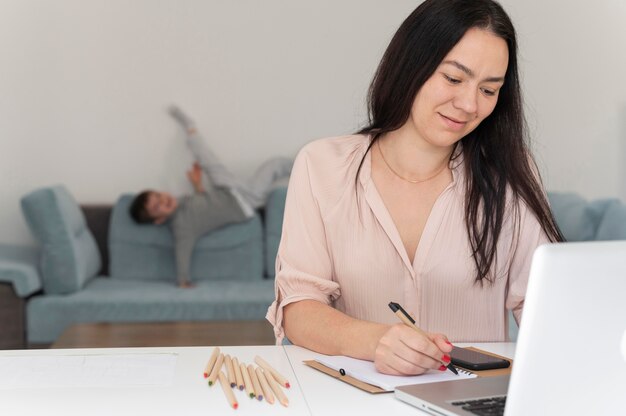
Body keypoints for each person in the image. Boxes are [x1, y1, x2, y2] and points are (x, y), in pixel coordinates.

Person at [266, 0, 563, 377]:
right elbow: (299, 309)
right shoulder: (323, 166)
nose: (469, 104)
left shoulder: (511, 175)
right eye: (454, 79)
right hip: (356, 396)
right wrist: (376, 341)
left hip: (472, 398)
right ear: (411, 67)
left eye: (489, 90)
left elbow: (544, 307)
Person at [129, 106, 292, 288]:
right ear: (158, 220)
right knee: (273, 165)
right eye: (157, 206)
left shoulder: (182, 201)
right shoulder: (182, 228)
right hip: (246, 201)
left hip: (227, 190)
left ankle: (191, 130)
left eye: (158, 196)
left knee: (209, 163)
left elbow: (202, 207)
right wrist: (183, 280)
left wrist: (197, 185)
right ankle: (310, 169)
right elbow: (182, 252)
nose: (163, 200)